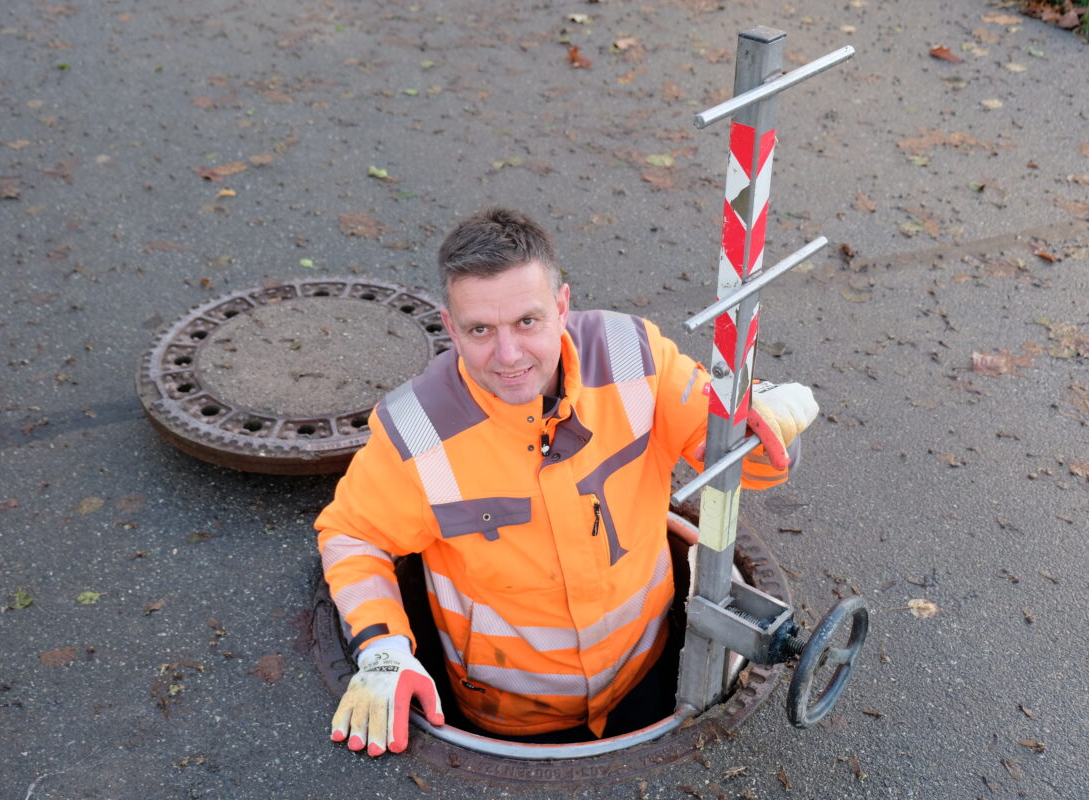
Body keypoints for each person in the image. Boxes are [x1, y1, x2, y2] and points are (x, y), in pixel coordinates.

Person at [314, 208, 817, 756]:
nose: (508, 356)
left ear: (561, 306)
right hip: (505, 715)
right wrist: (383, 647)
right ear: (449, 324)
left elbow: (742, 462)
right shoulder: (417, 431)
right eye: (480, 329)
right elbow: (354, 538)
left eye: (527, 322)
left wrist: (765, 421)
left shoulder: (634, 358)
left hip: (643, 675)